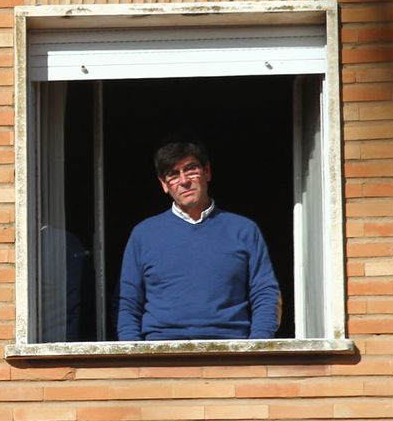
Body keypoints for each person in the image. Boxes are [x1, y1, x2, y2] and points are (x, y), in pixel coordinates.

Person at [116, 139, 280, 341]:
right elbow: (128, 303)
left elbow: (265, 293)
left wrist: (258, 347)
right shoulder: (143, 235)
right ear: (163, 185)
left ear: (207, 172)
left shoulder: (244, 230)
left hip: (231, 347)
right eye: (173, 174)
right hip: (160, 350)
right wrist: (133, 352)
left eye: (191, 169)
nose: (184, 181)